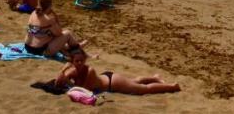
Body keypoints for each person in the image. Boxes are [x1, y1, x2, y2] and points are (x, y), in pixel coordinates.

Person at [50, 47, 180, 95]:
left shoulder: (90, 70)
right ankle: (155, 77)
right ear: (72, 61)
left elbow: (85, 90)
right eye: (76, 61)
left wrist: (68, 82)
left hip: (113, 83)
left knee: (143, 89)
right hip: (107, 78)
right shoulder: (73, 70)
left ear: (85, 60)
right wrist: (63, 70)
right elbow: (58, 80)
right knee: (134, 81)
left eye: (81, 60)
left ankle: (171, 86)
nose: (79, 63)